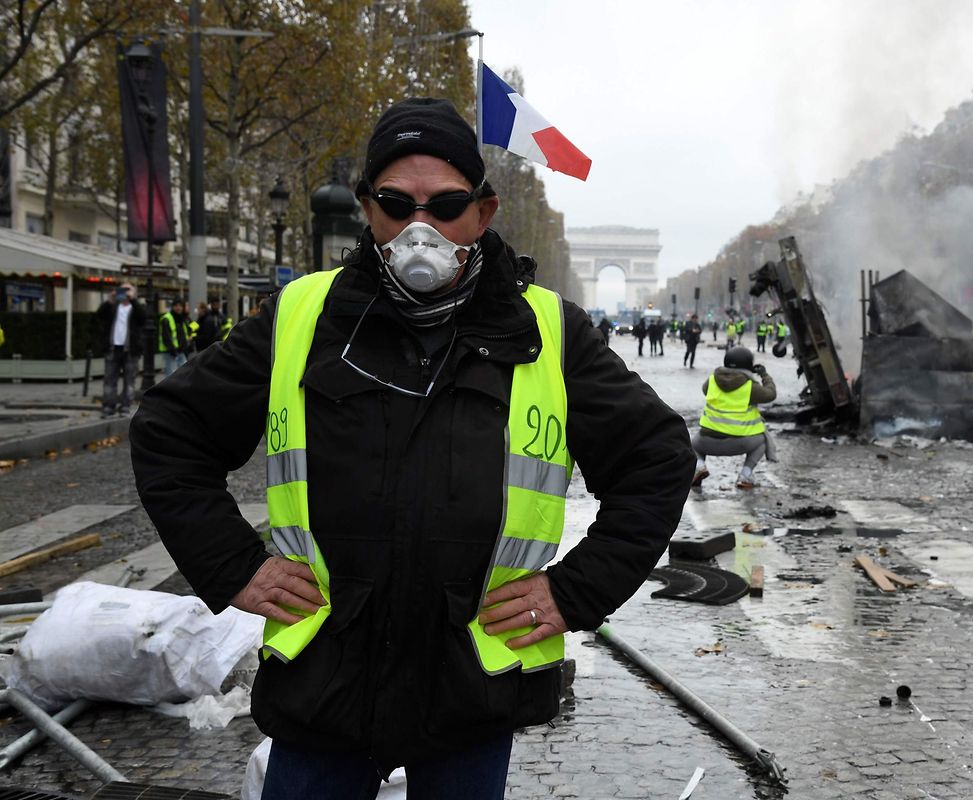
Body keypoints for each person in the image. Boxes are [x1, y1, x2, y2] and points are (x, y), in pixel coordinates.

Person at [129, 97, 694, 800]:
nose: (418, 226)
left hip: (470, 683)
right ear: (368, 209)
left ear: (483, 214)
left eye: (446, 203)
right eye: (396, 203)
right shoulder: (298, 316)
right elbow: (168, 430)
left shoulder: (552, 331)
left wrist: (578, 592)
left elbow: (660, 456)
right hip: (323, 680)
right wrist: (232, 565)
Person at [691, 346, 775, 490]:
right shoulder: (750, 387)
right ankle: (746, 475)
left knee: (692, 444)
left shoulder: (711, 381)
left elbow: (705, 390)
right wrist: (764, 375)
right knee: (763, 440)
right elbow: (770, 394)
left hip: (706, 442)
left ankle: (699, 466)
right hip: (741, 443)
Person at [96, 282, 146, 417]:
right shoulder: (113, 307)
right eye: (122, 289)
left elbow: (143, 318)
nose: (124, 292)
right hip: (113, 348)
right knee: (109, 379)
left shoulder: (136, 307)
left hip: (130, 349)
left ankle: (125, 406)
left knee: (129, 380)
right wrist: (110, 300)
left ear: (134, 293)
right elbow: (99, 315)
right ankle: (108, 405)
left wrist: (133, 300)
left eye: (128, 289)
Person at [158, 297, 190, 378]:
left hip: (180, 350)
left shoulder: (182, 319)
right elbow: (166, 337)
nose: (178, 308)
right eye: (176, 306)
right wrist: (172, 350)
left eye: (180, 306)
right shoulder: (167, 318)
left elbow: (184, 333)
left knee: (185, 373)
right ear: (172, 307)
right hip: (170, 351)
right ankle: (169, 390)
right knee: (171, 375)